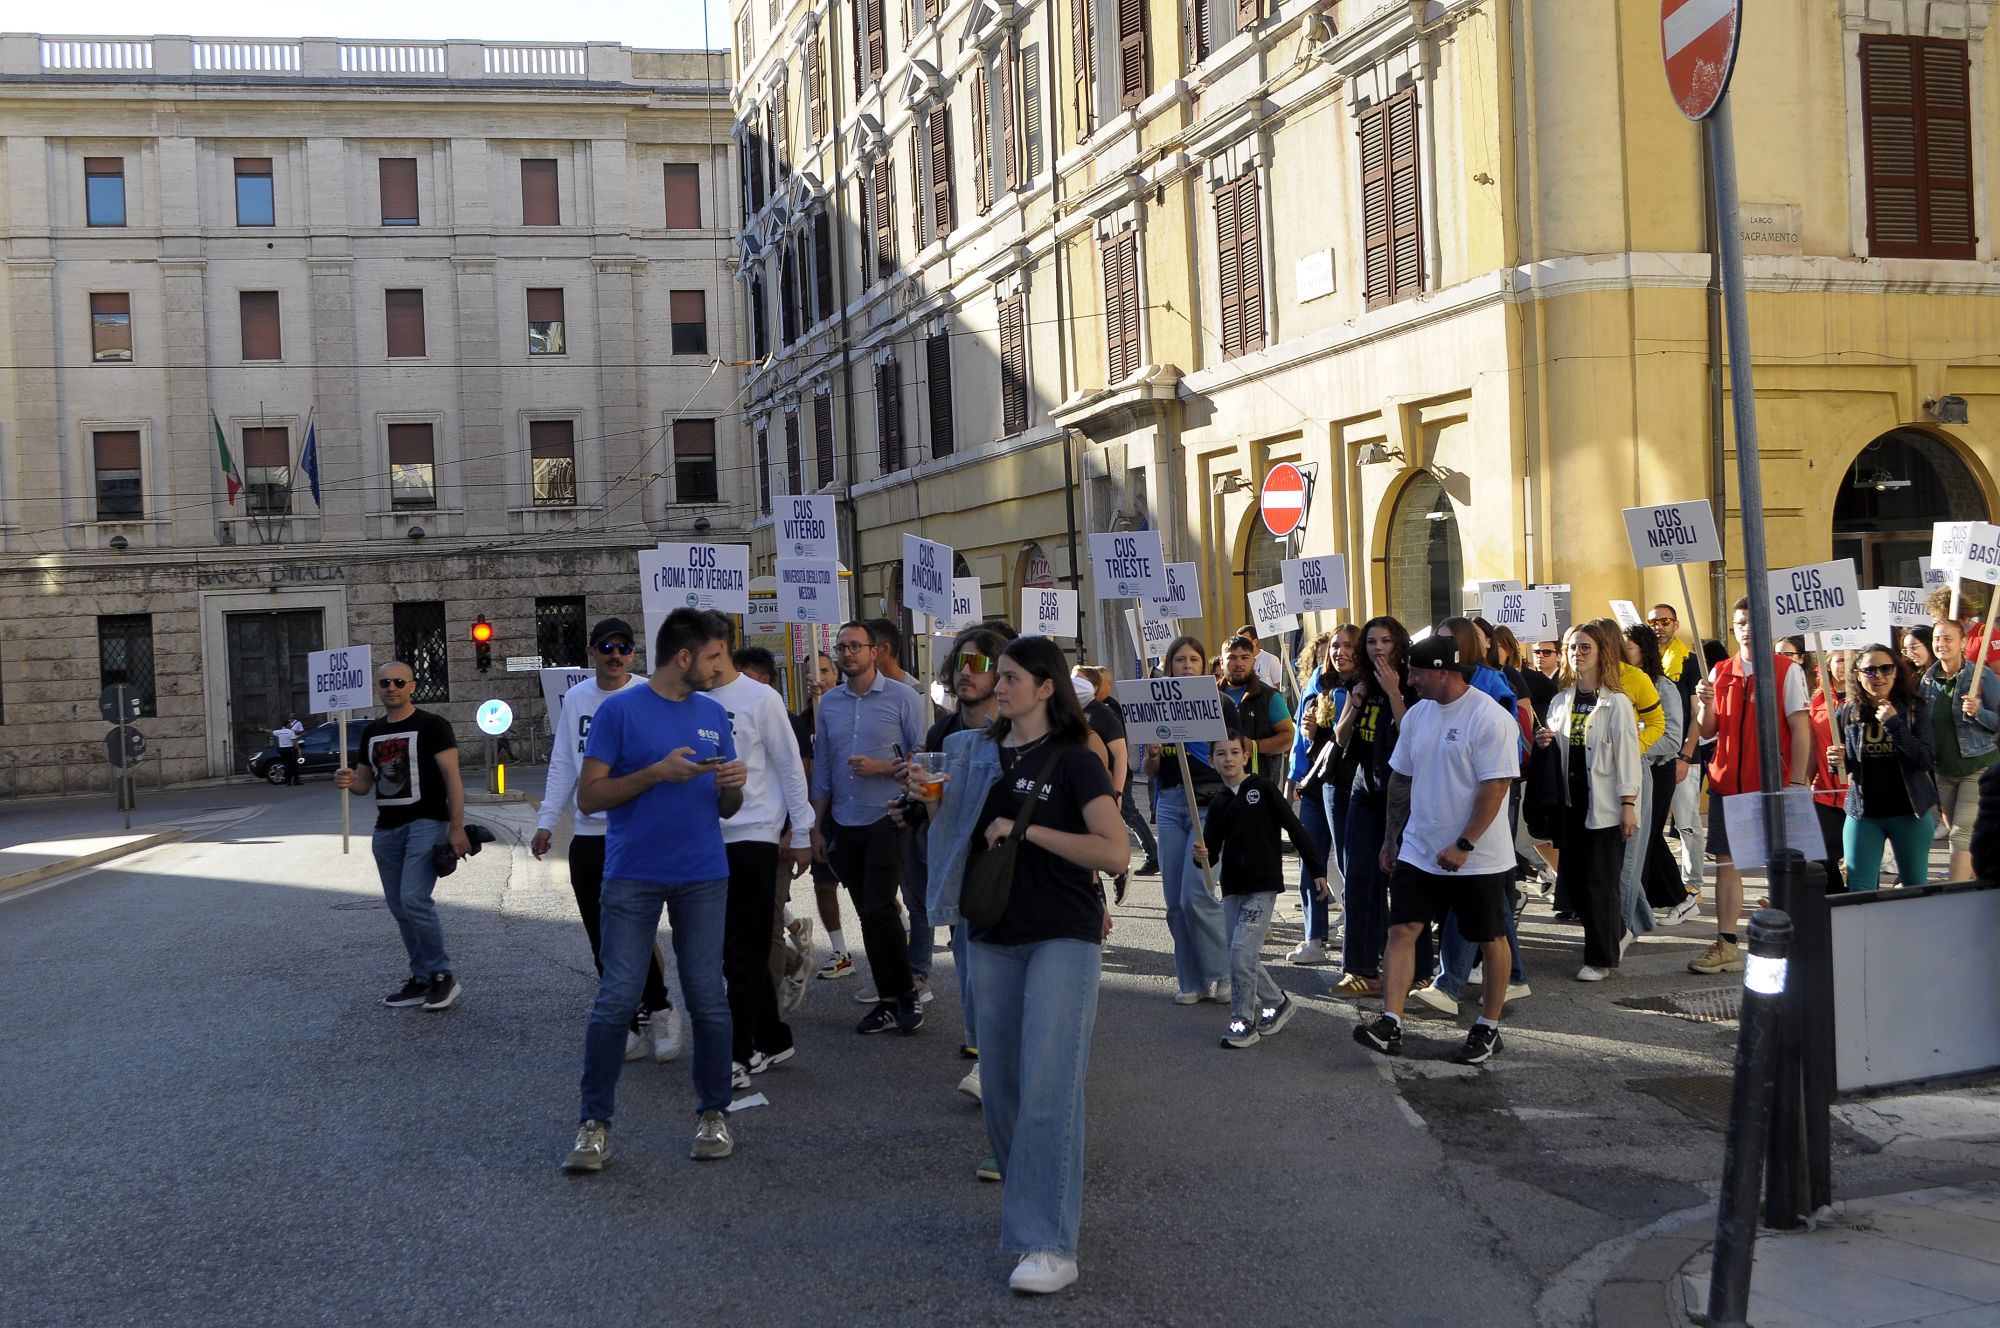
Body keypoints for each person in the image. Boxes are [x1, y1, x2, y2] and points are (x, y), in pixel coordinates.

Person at [907, 634, 1128, 1295]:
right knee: (1001, 1087)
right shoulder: (968, 751)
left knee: (1048, 1085)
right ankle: (1035, 1199)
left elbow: (1114, 852)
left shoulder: (1077, 758)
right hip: (991, 929)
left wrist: (1027, 830)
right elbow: (955, 836)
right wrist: (928, 802)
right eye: (993, 676)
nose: (996, 686)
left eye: (1008, 677)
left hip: (1063, 932)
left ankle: (1048, 1242)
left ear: (1045, 688)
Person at [562, 609, 747, 1172]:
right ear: (684, 657)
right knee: (617, 998)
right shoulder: (619, 711)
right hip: (632, 874)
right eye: (713, 656)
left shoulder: (713, 713)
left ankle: (713, 1114)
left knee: (707, 997)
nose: (720, 667)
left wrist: (733, 787)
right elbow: (589, 798)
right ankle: (593, 1125)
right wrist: (655, 774)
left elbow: (726, 808)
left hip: (703, 873)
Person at [1353, 634, 1520, 1064]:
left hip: (1478, 858)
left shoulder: (1489, 717)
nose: (1409, 680)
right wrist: (1391, 838)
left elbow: (1497, 786)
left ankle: (1488, 1026)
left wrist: (1464, 843)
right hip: (1419, 849)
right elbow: (1401, 778)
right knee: (1402, 930)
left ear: (1443, 673)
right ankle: (1390, 1022)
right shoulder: (1417, 716)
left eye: (1416, 673)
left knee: (1490, 937)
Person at [533, 618, 681, 1064]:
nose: (615, 655)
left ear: (633, 654)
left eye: (623, 648)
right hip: (589, 832)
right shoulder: (578, 698)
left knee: (633, 930)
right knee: (600, 935)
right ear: (591, 653)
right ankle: (627, 1018)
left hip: (636, 830)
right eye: (606, 648)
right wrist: (545, 822)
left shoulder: (649, 694)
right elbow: (564, 762)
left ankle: (660, 1008)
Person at [913, 621, 1016, 1105]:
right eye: (959, 662)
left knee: (1001, 977)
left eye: (977, 663)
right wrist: (919, 799)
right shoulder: (945, 736)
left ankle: (997, 1065)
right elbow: (943, 817)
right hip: (966, 875)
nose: (964, 672)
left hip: (1014, 874)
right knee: (972, 976)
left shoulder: (1023, 735)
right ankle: (987, 1059)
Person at [707, 640, 817, 1085]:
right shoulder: (689, 698)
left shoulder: (761, 698)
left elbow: (792, 768)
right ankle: (772, 1037)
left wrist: (802, 831)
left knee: (744, 947)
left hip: (755, 834)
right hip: (706, 837)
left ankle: (739, 1051)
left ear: (718, 648)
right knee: (732, 946)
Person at [811, 620, 927, 1035]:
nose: (847, 654)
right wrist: (815, 826)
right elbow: (823, 767)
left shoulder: (903, 697)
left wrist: (881, 767)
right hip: (845, 819)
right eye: (842, 647)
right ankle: (889, 999)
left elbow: (921, 758)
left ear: (874, 651)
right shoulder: (830, 704)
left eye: (855, 646)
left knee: (879, 906)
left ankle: (907, 993)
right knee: (868, 913)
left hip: (888, 815)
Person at [1688, 599, 1815, 975]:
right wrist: (1703, 703)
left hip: (1771, 786)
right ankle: (1726, 943)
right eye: (1740, 623)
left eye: (1752, 621)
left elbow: (1801, 728)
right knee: (1727, 864)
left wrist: (1796, 783)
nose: (1746, 629)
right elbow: (1709, 730)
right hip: (1727, 783)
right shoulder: (1720, 671)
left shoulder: (1786, 670)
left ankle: (1788, 938)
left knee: (1779, 865)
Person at [337, 659, 470, 1013]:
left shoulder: (433, 725)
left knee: (413, 899)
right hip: (386, 830)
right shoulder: (372, 731)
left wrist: (456, 827)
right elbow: (365, 785)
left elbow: (453, 779)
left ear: (413, 686)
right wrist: (349, 781)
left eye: (399, 682)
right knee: (399, 907)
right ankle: (421, 977)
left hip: (425, 823)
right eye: (385, 683)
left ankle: (442, 974)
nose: (392, 688)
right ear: (377, 689)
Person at [1191, 730, 1328, 1047]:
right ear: (1211, 761)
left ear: (1246, 756)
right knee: (1240, 956)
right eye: (1221, 754)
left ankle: (1242, 1022)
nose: (1228, 759)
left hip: (1262, 886)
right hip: (1233, 889)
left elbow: (1294, 828)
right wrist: (1200, 856)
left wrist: (1317, 869)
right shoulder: (1219, 803)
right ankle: (1277, 1003)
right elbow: (1209, 856)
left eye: (1234, 752)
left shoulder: (1262, 788)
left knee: (1240, 953)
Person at [1539, 624, 1642, 981]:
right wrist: (1544, 741)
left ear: (1601, 653)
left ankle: (1599, 959)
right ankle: (1616, 933)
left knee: (1600, 882)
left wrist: (1628, 804)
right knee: (1577, 883)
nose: (1577, 653)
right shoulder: (1560, 701)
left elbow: (1628, 756)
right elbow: (1559, 748)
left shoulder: (1617, 703)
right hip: (1570, 804)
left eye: (1585, 647)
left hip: (1605, 805)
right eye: (1572, 647)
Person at [1142, 635, 1236, 1004]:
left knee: (1197, 894)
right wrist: (1152, 753)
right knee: (1175, 903)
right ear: (1169, 666)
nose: (1186, 666)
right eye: (1179, 660)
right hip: (1169, 804)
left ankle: (1223, 971)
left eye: (1193, 659)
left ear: (1203, 665)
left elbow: (1233, 756)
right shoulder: (1157, 705)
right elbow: (1150, 770)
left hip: (1209, 806)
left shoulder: (1221, 704)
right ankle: (1192, 980)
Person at [1328, 616, 1414, 997]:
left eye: (1385, 641)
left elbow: (1412, 735)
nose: (1378, 648)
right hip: (1363, 789)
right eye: (1371, 642)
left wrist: (1394, 692)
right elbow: (1341, 738)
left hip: (1401, 794)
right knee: (1360, 877)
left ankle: (1414, 971)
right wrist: (1355, 702)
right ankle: (1359, 969)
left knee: (1403, 882)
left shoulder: (1412, 681)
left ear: (1398, 644)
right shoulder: (1360, 682)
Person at [1838, 645, 1937, 892]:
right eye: (1870, 670)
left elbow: (1925, 759)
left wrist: (1894, 723)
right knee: (1859, 892)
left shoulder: (1914, 708)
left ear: (1896, 672)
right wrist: (1837, 761)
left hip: (1910, 815)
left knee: (1915, 890)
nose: (1878, 676)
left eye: (1886, 668)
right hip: (1864, 815)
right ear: (1858, 674)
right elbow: (1849, 766)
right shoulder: (1848, 712)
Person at [1291, 623, 1360, 963]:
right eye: (1335, 645)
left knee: (1348, 861)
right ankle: (1313, 937)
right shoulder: (1317, 684)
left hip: (1346, 784)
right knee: (1311, 859)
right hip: (1314, 783)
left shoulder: (1363, 685)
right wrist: (1295, 775)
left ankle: (1358, 931)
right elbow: (1301, 737)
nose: (1339, 652)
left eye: (1348, 646)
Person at [1917, 601, 2000, 881]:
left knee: (1960, 834)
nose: (1941, 644)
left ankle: (1955, 891)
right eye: (1937, 639)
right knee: (1965, 837)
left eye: (1948, 638)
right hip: (1943, 770)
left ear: (1963, 642)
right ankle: (1978, 882)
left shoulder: (1981, 675)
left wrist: (1978, 713)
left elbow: (1998, 722)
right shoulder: (1928, 681)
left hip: (1978, 766)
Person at [797, 650, 856, 982]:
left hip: (852, 808)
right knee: (823, 884)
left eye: (824, 670)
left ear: (835, 673)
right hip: (820, 813)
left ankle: (898, 928)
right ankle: (840, 952)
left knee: (866, 886)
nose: (818, 678)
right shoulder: (802, 721)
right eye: (811, 672)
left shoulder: (851, 710)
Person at [1625, 624, 1691, 920]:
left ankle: (1674, 898)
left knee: (1648, 836)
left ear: (1644, 651)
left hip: (1658, 771)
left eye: (1628, 648)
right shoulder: (1619, 684)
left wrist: (1630, 746)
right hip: (1630, 770)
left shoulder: (1664, 687)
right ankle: (1667, 898)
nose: (1621, 653)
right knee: (1645, 837)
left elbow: (1673, 739)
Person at [1074, 665, 1151, 902]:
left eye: (1080, 681)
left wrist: (1117, 793)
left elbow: (1120, 755)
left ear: (1092, 686)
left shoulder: (1103, 713)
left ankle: (1116, 874)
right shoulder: (1065, 710)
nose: (1073, 685)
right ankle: (1110, 883)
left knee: (1093, 847)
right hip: (1073, 789)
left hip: (1101, 787)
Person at [1647, 604, 1708, 900]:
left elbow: (1697, 714)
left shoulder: (1689, 661)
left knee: (1686, 822)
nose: (1659, 627)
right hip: (1652, 754)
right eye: (1653, 622)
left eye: (1665, 621)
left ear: (1676, 624)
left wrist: (1685, 756)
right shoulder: (1646, 664)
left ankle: (1692, 883)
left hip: (1684, 755)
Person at [1807, 648, 1854, 894]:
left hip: (1857, 794)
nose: (1845, 665)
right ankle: (1835, 901)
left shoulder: (1864, 698)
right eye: (1839, 660)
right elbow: (1812, 747)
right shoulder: (1817, 700)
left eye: (1850, 659)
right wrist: (1804, 782)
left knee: (1858, 860)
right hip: (1825, 792)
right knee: (1820, 855)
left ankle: (1860, 902)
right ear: (1828, 665)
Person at [1220, 635, 1295, 778]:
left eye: (1245, 657)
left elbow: (1288, 737)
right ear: (1221, 662)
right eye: (1232, 657)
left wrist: (1256, 746)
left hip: (1259, 781)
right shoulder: (1210, 696)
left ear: (1253, 662)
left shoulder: (1270, 697)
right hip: (1217, 782)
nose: (1239, 663)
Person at [1232, 624, 1286, 691]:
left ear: (1255, 641)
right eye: (1239, 641)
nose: (1241, 644)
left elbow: (1280, 687)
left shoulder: (1271, 659)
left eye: (1245, 641)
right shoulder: (1237, 661)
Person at [272, 719, 301, 785]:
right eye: (290, 724)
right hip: (290, 750)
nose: (291, 725)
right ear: (287, 725)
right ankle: (296, 780)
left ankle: (288, 781)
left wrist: (263, 730)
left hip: (282, 750)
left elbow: (271, 732)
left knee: (286, 765)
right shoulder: (291, 732)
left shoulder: (279, 732)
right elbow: (294, 742)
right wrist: (298, 750)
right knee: (294, 765)